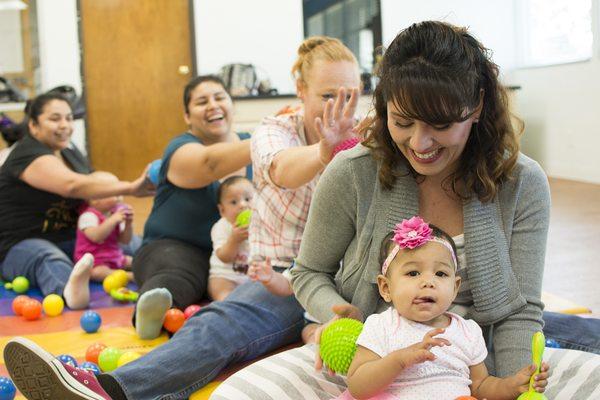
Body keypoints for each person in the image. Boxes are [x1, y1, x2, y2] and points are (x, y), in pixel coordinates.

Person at [208, 20, 600, 399]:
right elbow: (309, 271)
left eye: (441, 125)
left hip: (480, 367)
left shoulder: (522, 182)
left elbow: (520, 311)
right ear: (383, 108)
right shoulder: (352, 172)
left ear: (477, 106)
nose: (420, 142)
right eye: (403, 122)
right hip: (372, 364)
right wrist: (336, 313)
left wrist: (514, 386)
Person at [2, 36, 362, 400]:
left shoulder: (356, 134)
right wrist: (323, 151)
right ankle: (112, 387)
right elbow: (279, 168)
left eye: (351, 96)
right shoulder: (267, 133)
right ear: (301, 90)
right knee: (217, 319)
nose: (341, 111)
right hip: (255, 266)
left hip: (327, 275)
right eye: (328, 97)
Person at [341, 216, 548, 400]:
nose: (428, 282)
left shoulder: (467, 332)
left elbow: (481, 386)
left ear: (455, 287)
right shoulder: (382, 326)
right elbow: (358, 386)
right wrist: (399, 360)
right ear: (386, 287)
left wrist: (511, 385)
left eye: (440, 274)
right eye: (413, 273)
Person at [126, 74, 253, 339]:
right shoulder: (181, 147)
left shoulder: (248, 143)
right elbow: (210, 164)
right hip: (175, 247)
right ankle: (154, 310)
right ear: (187, 116)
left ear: (232, 104)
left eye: (220, 97)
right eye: (201, 101)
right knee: (178, 273)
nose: (213, 105)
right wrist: (269, 141)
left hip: (237, 255)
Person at [0, 92, 153, 311]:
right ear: (33, 125)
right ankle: (70, 294)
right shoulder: (27, 154)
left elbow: (95, 188)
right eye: (55, 119)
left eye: (69, 118)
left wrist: (118, 216)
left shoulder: (69, 153)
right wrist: (130, 187)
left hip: (74, 239)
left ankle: (168, 271)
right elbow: (72, 185)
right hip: (21, 244)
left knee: (136, 244)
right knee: (48, 258)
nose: (65, 125)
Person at [74, 172, 135, 282]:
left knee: (135, 261)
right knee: (97, 273)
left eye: (120, 193)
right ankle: (129, 276)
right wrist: (112, 220)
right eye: (114, 194)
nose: (120, 198)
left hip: (115, 256)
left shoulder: (114, 214)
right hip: (95, 261)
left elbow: (125, 240)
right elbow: (96, 237)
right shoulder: (88, 216)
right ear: (95, 198)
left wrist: (128, 225)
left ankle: (146, 270)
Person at [208, 176, 254, 301]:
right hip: (225, 276)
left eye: (248, 199)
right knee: (222, 292)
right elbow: (224, 257)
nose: (243, 205)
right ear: (222, 210)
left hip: (251, 278)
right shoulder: (221, 227)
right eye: (234, 202)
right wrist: (234, 240)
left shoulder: (260, 225)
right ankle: (226, 305)